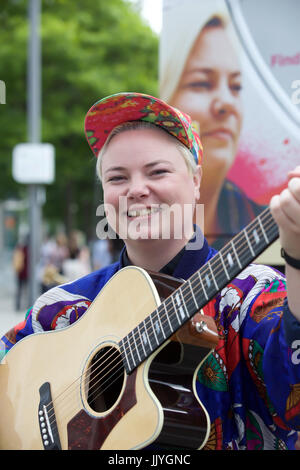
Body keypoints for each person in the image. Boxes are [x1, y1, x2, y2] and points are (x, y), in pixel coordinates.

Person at [1, 92, 300, 450]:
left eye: (157, 171)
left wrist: (295, 258)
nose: (137, 190)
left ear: (195, 181)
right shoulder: (61, 309)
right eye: (117, 178)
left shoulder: (253, 295)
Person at [159, 1, 267, 249]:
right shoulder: (147, 233)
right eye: (202, 83)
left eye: (236, 86)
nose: (226, 102)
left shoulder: (267, 220)